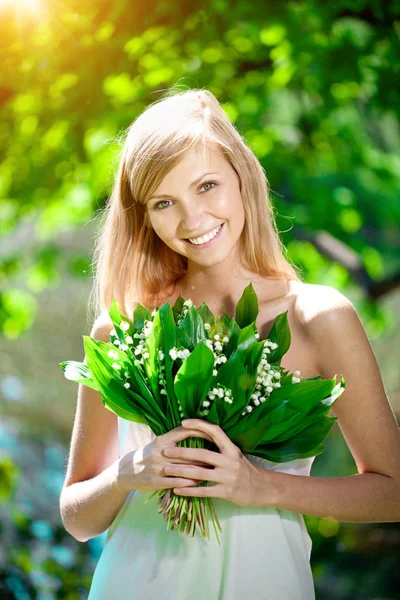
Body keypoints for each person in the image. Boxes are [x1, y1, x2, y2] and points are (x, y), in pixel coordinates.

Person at [59, 88, 400, 600]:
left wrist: (262, 487)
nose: (192, 219)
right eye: (164, 202)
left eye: (207, 185)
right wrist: (130, 472)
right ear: (144, 216)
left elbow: (392, 493)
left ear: (242, 177)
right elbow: (77, 517)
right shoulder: (124, 326)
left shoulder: (317, 319)